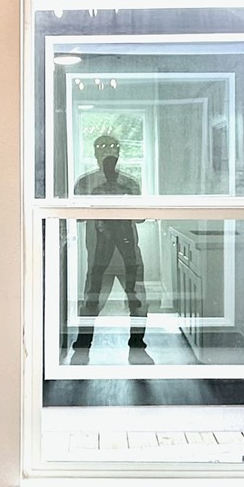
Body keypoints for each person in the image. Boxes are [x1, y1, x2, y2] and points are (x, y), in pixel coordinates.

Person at [71, 132, 146, 351]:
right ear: (95, 152)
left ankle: (137, 340)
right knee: (92, 297)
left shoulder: (130, 184)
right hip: (98, 252)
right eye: (103, 146)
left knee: (136, 296)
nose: (108, 150)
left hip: (127, 251)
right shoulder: (84, 183)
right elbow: (79, 215)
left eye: (113, 146)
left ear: (120, 152)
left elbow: (140, 216)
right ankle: (84, 341)